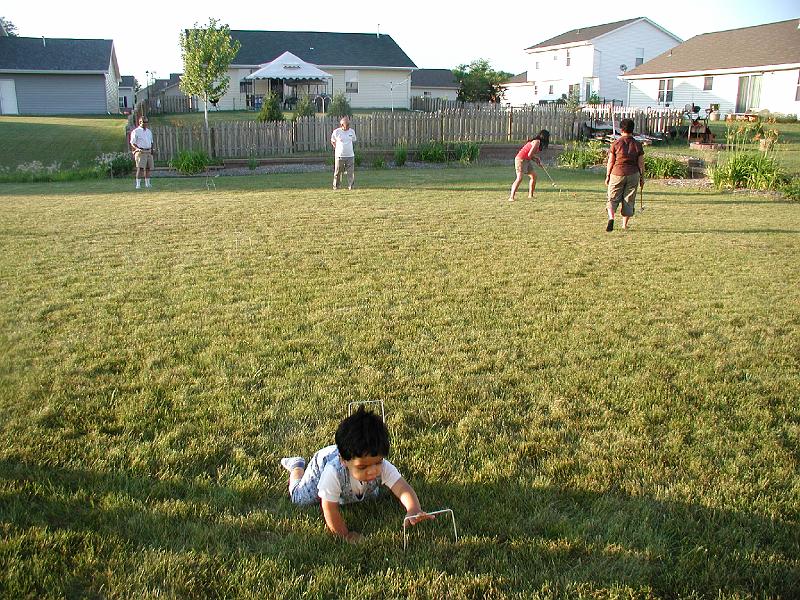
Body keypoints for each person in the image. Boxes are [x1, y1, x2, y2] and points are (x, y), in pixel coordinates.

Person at [280, 407, 432, 542]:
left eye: (377, 463)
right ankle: (296, 466)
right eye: (363, 467)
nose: (372, 470)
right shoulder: (333, 472)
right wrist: (344, 534)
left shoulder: (381, 465)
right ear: (344, 461)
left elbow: (402, 487)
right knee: (300, 499)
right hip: (321, 464)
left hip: (349, 467)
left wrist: (413, 509)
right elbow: (329, 507)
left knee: (370, 495)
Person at [605, 118, 644, 231]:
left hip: (617, 173)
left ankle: (611, 217)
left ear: (621, 129)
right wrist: (642, 177)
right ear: (632, 129)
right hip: (633, 174)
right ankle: (624, 225)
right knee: (629, 199)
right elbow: (641, 163)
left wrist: (608, 175)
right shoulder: (637, 144)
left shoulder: (616, 143)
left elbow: (611, 161)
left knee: (612, 198)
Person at [508, 130, 549, 201]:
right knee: (519, 178)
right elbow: (530, 154)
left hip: (526, 160)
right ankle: (511, 197)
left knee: (534, 176)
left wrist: (537, 160)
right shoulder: (537, 142)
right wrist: (536, 160)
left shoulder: (537, 142)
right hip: (520, 160)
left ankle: (530, 195)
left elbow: (530, 155)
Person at [330, 116, 357, 190]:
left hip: (350, 155)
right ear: (342, 125)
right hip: (339, 156)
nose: (348, 126)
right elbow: (332, 141)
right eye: (347, 125)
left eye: (349, 124)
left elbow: (353, 140)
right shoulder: (336, 132)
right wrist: (336, 147)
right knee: (338, 172)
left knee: (350, 173)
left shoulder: (352, 131)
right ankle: (336, 186)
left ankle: (351, 186)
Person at [130, 116, 154, 189]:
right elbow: (132, 142)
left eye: (147, 122)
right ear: (140, 122)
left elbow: (151, 142)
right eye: (144, 122)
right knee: (140, 168)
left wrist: (152, 150)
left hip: (148, 151)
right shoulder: (136, 131)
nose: (146, 123)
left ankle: (147, 184)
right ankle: (138, 184)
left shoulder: (149, 131)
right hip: (141, 151)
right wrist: (137, 149)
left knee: (148, 168)